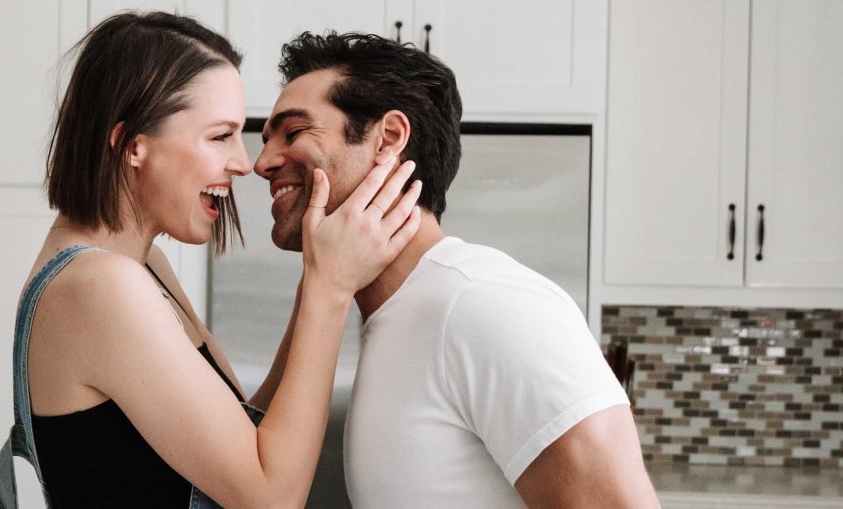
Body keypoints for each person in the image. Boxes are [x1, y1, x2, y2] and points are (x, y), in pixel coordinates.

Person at [0, 13, 423, 508]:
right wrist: (330, 290)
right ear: (133, 145)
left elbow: (241, 435)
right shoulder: (98, 285)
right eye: (220, 137)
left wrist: (316, 278)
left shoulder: (141, 264)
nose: (244, 162)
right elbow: (270, 497)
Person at [254, 32, 662, 508]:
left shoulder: (485, 303)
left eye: (294, 132)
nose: (262, 162)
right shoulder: (386, 313)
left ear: (387, 139)